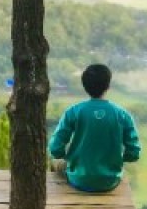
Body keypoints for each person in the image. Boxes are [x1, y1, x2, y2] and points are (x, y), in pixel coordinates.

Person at [48, 64, 141, 192]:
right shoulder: (122, 115)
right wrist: (116, 159)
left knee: (55, 163)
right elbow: (134, 153)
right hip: (110, 181)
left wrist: (69, 158)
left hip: (78, 179)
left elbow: (55, 148)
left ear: (84, 86)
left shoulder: (73, 112)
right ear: (108, 86)